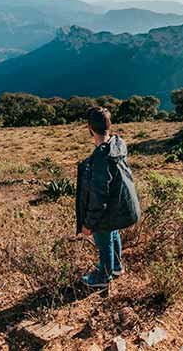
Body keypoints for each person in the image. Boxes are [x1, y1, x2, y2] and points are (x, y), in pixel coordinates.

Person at [75, 107, 141, 288]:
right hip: (119, 206)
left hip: (108, 209)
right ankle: (116, 267)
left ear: (89, 128)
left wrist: (88, 223)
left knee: (103, 237)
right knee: (112, 233)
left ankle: (103, 277)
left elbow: (98, 197)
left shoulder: (100, 159)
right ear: (109, 125)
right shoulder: (118, 145)